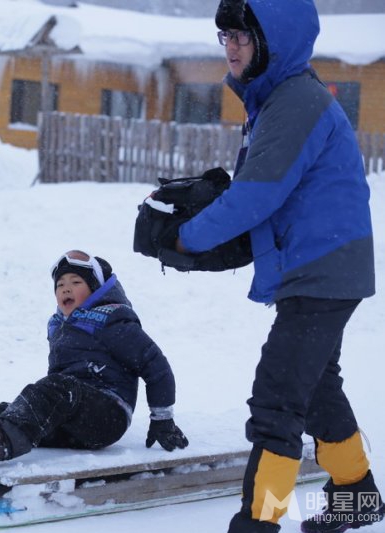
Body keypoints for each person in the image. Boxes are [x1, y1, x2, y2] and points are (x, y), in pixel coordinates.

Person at [172, 1, 381, 532]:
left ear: (274, 41)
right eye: (227, 38)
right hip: (320, 267)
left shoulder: (296, 102)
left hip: (324, 269)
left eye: (243, 36)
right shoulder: (279, 100)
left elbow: (256, 195)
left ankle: (258, 523)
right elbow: (264, 196)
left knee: (277, 397)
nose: (232, 48)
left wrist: (184, 238)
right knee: (313, 387)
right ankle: (357, 498)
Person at [0, 250, 188, 471]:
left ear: (96, 290)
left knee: (52, 390)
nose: (65, 288)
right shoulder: (61, 327)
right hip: (69, 415)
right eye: (60, 285)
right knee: (9, 410)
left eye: (76, 283)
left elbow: (155, 365)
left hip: (106, 416)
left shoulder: (113, 321)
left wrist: (163, 419)